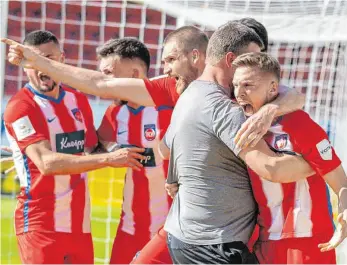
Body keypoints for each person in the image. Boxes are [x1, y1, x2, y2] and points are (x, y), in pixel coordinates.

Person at [1, 24, 305, 151]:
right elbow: (101, 84)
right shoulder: (172, 88)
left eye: (171, 58)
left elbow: (295, 95)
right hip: (186, 217)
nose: (165, 68)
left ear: (196, 57)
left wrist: (271, 109)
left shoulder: (239, 86)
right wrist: (38, 62)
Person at [162, 21, 315, 264]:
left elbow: (164, 148)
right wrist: (322, 160)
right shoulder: (224, 109)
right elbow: (272, 168)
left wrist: (269, 110)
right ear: (231, 59)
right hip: (214, 247)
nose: (258, 67)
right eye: (252, 59)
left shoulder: (190, 94)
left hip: (186, 237)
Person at [2, 30, 146, 264]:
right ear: (24, 65)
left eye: (48, 59)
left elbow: (91, 148)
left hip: (80, 224)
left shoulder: (77, 100)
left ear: (62, 60)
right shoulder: (20, 107)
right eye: (33, 61)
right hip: (40, 226)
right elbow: (46, 164)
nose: (41, 68)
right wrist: (109, 160)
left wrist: (122, 135)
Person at [232, 52, 347, 264]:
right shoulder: (236, 124)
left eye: (248, 85)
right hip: (264, 242)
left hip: (307, 243)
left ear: (273, 88)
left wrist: (345, 214)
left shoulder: (299, 123)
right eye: (235, 85)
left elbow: (340, 181)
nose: (239, 93)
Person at [95, 37, 173, 264]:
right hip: (128, 228)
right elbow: (93, 148)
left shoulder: (168, 108)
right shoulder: (115, 113)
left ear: (135, 74)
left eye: (109, 73)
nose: (102, 81)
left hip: (168, 229)